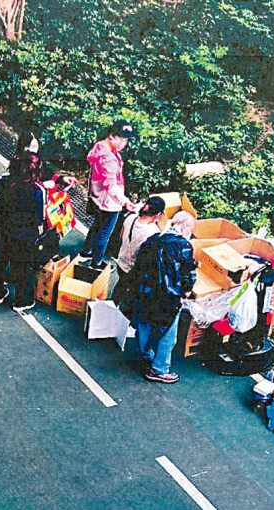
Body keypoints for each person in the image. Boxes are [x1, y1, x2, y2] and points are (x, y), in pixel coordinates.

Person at [130, 211, 197, 383]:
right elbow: (188, 274)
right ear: (184, 228)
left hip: (144, 292)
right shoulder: (184, 246)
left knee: (144, 324)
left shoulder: (153, 239)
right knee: (167, 334)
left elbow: (138, 265)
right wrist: (186, 290)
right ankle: (159, 369)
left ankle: (144, 354)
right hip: (167, 297)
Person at [0, 153, 45, 312]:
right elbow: (39, 218)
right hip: (24, 237)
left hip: (4, 231)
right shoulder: (37, 191)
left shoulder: (5, 182)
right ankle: (20, 302)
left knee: (1, 261)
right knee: (21, 269)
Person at [81, 120, 137, 269]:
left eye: (126, 140)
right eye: (121, 139)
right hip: (109, 202)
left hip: (97, 195)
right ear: (112, 136)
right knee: (105, 233)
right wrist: (125, 201)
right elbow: (110, 186)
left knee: (96, 226)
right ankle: (96, 262)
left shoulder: (100, 146)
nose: (124, 143)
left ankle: (85, 252)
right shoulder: (109, 159)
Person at [111, 196, 166, 313]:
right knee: (130, 295)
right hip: (134, 270)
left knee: (120, 285)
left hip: (121, 262)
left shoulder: (130, 218)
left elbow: (121, 236)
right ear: (158, 215)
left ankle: (111, 306)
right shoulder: (153, 233)